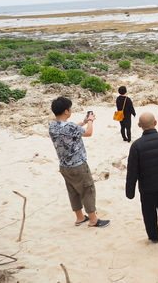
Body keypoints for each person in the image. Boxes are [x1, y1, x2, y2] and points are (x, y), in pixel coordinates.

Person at [49, 97, 110, 228]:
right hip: (78, 165)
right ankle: (93, 220)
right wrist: (90, 121)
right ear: (66, 111)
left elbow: (72, 129)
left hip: (64, 166)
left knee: (73, 191)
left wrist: (83, 122)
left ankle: (80, 217)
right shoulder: (69, 126)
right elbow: (88, 133)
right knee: (88, 190)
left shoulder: (53, 126)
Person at [126, 113, 158, 252]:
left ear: (139, 126)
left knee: (149, 214)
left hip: (147, 188)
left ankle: (154, 236)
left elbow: (132, 171)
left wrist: (130, 191)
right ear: (155, 123)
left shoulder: (136, 146)